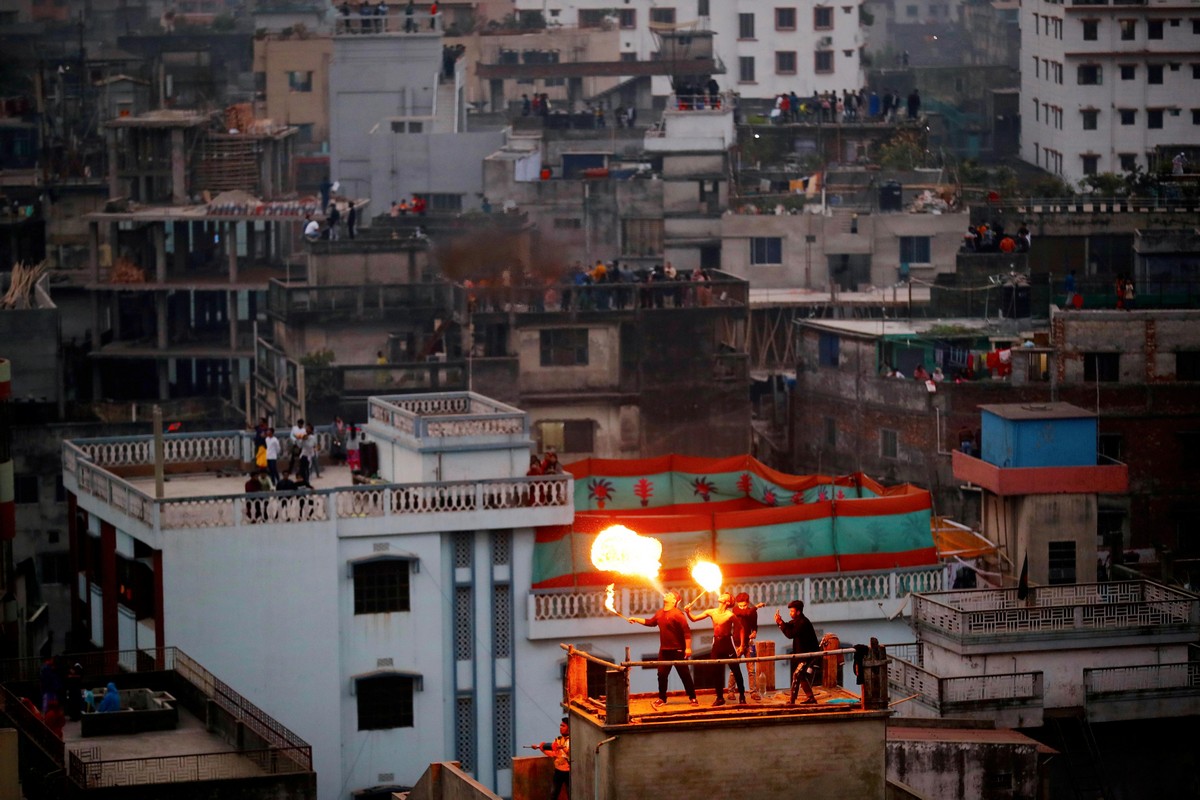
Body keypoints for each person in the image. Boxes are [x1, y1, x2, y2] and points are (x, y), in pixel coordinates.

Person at [628, 590, 698, 708]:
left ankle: (693, 698)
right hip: (664, 650)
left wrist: (688, 648)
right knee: (661, 674)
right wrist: (636, 619)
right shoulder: (660, 613)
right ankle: (662, 699)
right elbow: (650, 622)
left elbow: (687, 632)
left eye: (670, 595)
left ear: (674, 601)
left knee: (684, 674)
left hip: (678, 650)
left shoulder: (678, 614)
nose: (666, 594)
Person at [686, 592, 746, 706]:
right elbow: (694, 619)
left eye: (725, 596)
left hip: (728, 642)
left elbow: (741, 628)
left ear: (727, 602)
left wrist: (742, 645)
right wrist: (688, 612)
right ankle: (719, 698)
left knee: (736, 670)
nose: (721, 595)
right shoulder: (711, 612)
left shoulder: (730, 615)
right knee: (716, 671)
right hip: (716, 643)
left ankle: (742, 696)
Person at [775, 600, 819, 705]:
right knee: (801, 676)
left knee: (797, 675)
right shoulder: (796, 621)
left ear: (798, 612)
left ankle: (792, 701)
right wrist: (780, 621)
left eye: (792, 611)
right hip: (803, 655)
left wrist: (781, 623)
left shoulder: (803, 623)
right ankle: (811, 698)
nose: (790, 613)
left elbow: (790, 634)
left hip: (809, 655)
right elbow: (788, 626)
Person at [730, 592, 766, 699]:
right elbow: (745, 613)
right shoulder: (735, 610)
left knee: (751, 669)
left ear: (748, 603)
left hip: (748, 642)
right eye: (740, 605)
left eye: (744, 605)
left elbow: (754, 624)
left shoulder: (752, 612)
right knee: (733, 669)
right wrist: (756, 607)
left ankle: (753, 691)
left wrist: (754, 632)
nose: (742, 607)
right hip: (736, 643)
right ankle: (731, 691)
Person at [533, 717, 570, 800]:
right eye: (560, 725)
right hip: (558, 771)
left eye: (563, 726)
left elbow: (570, 753)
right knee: (554, 793)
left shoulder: (572, 740)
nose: (560, 727)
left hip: (569, 772)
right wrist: (541, 748)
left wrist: (562, 748)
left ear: (569, 728)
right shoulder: (558, 740)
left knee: (570, 793)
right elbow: (553, 754)